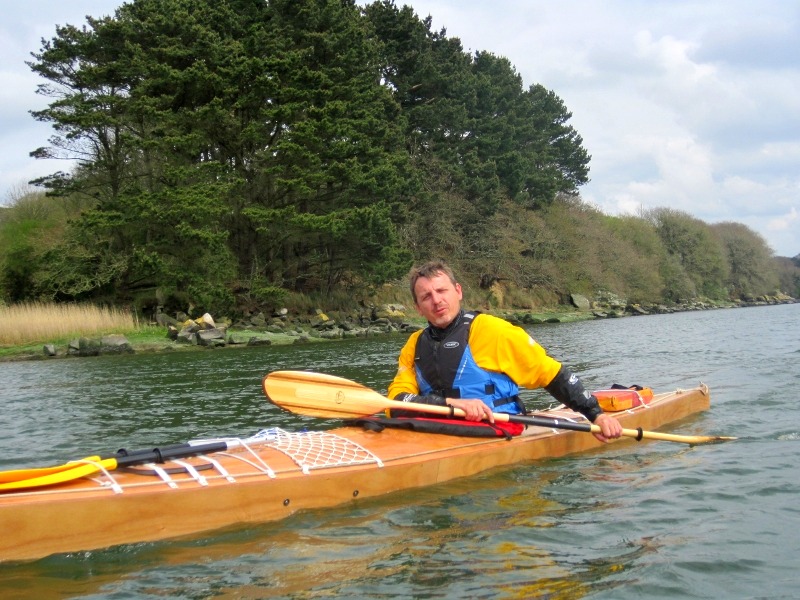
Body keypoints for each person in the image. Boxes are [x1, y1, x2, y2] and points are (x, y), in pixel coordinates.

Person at [388, 260, 623, 442]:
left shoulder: (492, 330)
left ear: (458, 291)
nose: (437, 300)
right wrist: (451, 404)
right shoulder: (414, 344)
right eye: (427, 296)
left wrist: (596, 415)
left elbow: (550, 373)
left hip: (497, 424)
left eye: (442, 291)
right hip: (436, 426)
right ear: (418, 308)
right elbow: (397, 401)